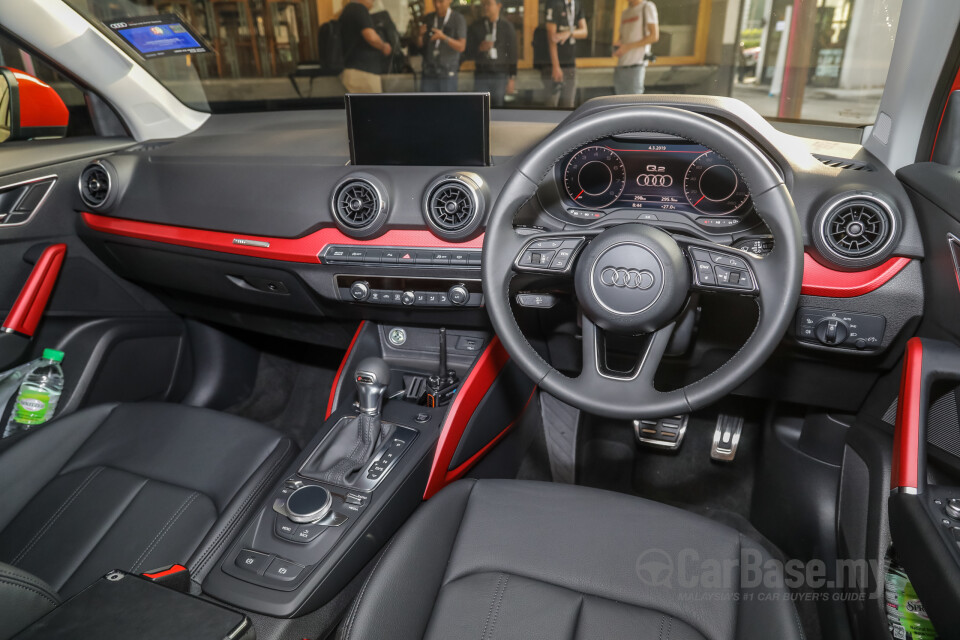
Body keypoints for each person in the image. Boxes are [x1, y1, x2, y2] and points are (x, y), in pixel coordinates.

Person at [467, 0, 518, 107]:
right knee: (480, 106)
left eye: (488, 4)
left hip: (500, 74)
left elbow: (512, 53)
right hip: (481, 73)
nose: (485, 7)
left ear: (498, 6)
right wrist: (479, 48)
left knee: (498, 106)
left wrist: (512, 78)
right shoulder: (476, 26)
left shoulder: (507, 26)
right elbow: (467, 52)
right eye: (483, 5)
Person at [339, 0, 393, 93]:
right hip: (362, 74)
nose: (373, 1)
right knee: (371, 106)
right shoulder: (359, 8)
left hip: (354, 72)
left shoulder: (348, 10)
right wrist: (384, 46)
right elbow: (370, 36)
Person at [543, 0, 587, 109]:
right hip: (554, 63)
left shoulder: (577, 3)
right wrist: (556, 66)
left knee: (568, 105)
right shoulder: (553, 3)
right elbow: (551, 37)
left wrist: (569, 33)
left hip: (571, 62)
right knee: (552, 104)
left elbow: (584, 32)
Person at [416, 0, 467, 92]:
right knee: (426, 103)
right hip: (429, 71)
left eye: (441, 1)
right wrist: (420, 35)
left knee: (446, 104)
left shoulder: (458, 19)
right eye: (434, 2)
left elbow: (461, 46)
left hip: (447, 72)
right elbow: (420, 45)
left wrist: (443, 37)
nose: (437, 5)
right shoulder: (429, 18)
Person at [613, 0, 659, 95]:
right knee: (619, 105)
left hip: (636, 65)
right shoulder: (625, 12)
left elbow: (654, 36)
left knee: (633, 105)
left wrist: (627, 47)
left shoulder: (647, 7)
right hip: (621, 65)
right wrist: (618, 46)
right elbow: (623, 38)